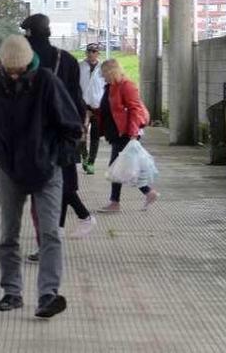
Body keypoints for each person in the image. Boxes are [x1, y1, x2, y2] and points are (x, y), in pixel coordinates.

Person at [0, 34, 82, 319]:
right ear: (2, 65)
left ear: (29, 63)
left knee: (51, 234)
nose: (15, 75)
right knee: (8, 234)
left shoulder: (46, 82)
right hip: (11, 170)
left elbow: (72, 127)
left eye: (20, 69)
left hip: (47, 170)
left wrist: (55, 158)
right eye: (10, 70)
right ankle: (12, 292)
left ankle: (48, 296)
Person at [21, 14, 96, 250]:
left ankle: (54, 236)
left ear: (30, 34)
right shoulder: (68, 60)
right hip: (64, 132)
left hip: (34, 135)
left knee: (43, 190)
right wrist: (80, 129)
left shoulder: (25, 59)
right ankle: (58, 233)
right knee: (61, 184)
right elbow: (76, 99)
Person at [95, 59, 159, 212]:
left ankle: (115, 202)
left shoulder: (126, 86)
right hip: (116, 133)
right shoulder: (110, 86)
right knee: (123, 168)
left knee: (117, 168)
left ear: (112, 71)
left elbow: (135, 109)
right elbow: (108, 109)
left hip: (125, 134)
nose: (103, 77)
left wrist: (132, 133)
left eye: (104, 73)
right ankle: (148, 193)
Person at [79, 43, 105, 175]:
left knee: (95, 136)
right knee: (80, 134)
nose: (91, 53)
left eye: (94, 51)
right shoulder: (80, 66)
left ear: (98, 53)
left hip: (97, 106)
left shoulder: (102, 68)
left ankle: (91, 162)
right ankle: (84, 156)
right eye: (89, 51)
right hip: (82, 106)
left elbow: (106, 87)